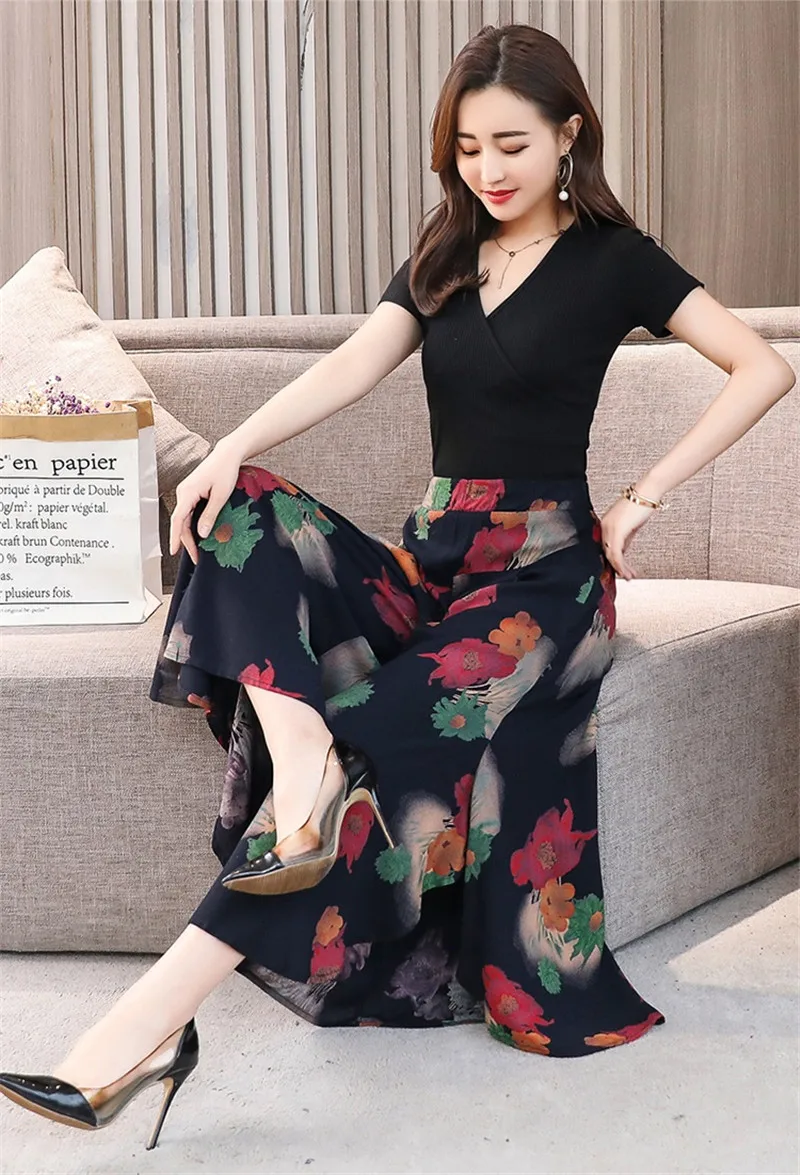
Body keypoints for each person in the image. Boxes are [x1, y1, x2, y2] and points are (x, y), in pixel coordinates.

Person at [1, 22, 794, 1153]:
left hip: (543, 592)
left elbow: (763, 364)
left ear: (569, 134)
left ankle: (129, 1041)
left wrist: (639, 499)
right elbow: (351, 363)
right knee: (242, 509)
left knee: (369, 738)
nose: (488, 170)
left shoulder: (615, 257)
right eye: (467, 147)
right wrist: (231, 446)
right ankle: (301, 773)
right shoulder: (446, 246)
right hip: (432, 569)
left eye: (511, 144)